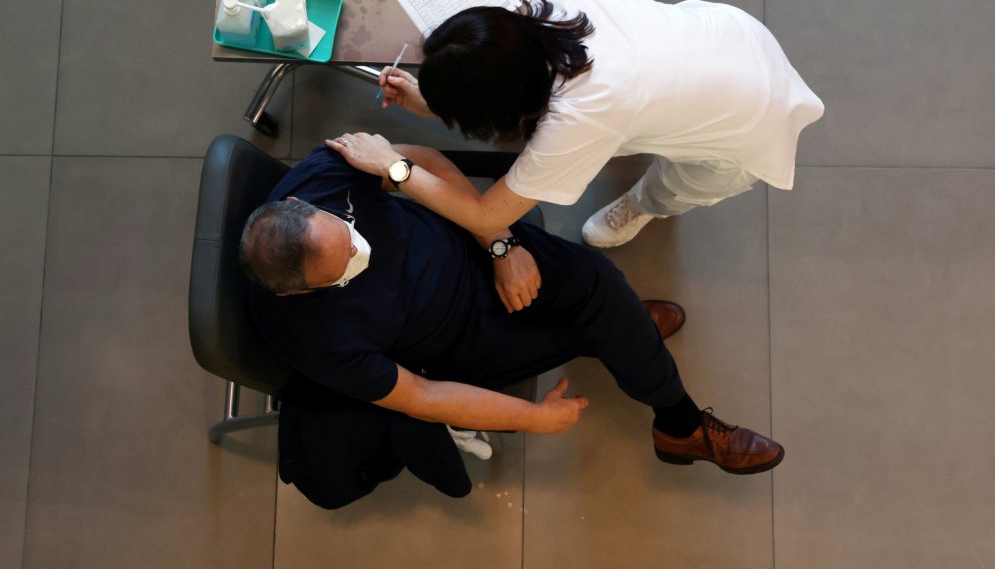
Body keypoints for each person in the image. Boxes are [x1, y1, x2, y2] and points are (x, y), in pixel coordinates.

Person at [239, 142, 784, 475]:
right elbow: (421, 397)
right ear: (296, 293)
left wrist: (496, 241)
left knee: (597, 281)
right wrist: (534, 420)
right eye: (346, 266)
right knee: (599, 311)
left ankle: (623, 339)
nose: (364, 249)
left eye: (349, 233)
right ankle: (680, 425)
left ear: (297, 205)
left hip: (476, 241)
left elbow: (419, 163)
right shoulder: (310, 337)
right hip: (464, 336)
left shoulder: (320, 176)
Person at [343, 0, 823, 255]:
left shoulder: (582, 118)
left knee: (680, 185)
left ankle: (643, 205)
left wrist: (394, 167)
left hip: (747, 119)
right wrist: (434, 97)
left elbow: (487, 215)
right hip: (724, 36)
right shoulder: (547, 7)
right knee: (629, 123)